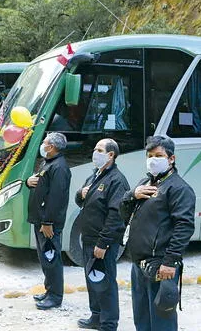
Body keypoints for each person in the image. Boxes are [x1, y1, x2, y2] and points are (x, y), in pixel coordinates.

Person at [119, 135, 195, 331]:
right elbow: (124, 214)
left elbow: (184, 227)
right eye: (150, 155)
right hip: (139, 263)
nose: (153, 159)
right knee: (142, 317)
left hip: (161, 265)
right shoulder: (147, 182)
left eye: (158, 155)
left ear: (171, 159)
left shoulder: (179, 188)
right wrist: (131, 195)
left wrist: (170, 262)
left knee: (162, 320)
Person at [74, 138, 129, 330]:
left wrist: (103, 243)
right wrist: (81, 193)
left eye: (99, 150)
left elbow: (116, 215)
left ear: (111, 155)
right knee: (93, 279)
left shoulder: (117, 180)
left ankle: (108, 323)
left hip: (103, 242)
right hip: (89, 238)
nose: (94, 153)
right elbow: (80, 199)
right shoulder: (96, 175)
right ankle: (96, 316)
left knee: (105, 283)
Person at [26, 132, 72, 310]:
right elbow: (40, 184)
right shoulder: (48, 162)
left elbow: (56, 198)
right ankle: (49, 290)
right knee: (45, 258)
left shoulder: (59, 167)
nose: (42, 145)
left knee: (51, 259)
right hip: (41, 220)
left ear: (51, 147)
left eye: (44, 142)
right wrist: (28, 182)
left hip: (48, 223)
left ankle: (55, 297)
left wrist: (48, 222)